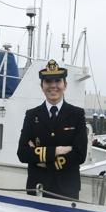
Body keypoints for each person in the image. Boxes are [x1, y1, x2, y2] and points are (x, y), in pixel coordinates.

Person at [17, 59, 88, 200]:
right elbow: (23, 153)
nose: (53, 86)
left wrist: (44, 161)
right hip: (37, 188)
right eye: (48, 81)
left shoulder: (77, 114)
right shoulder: (32, 115)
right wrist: (58, 151)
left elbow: (80, 155)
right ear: (42, 86)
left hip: (67, 190)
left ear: (65, 85)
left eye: (57, 81)